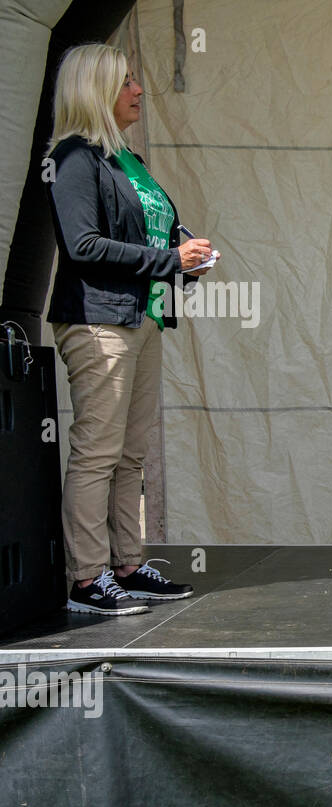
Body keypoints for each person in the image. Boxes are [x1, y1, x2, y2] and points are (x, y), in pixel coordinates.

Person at [45, 44, 216, 615]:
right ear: (95, 91)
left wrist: (185, 254)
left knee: (131, 453)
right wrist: (170, 259)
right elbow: (83, 245)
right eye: (125, 83)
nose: (139, 90)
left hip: (139, 316)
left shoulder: (125, 160)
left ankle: (127, 564)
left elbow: (146, 234)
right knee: (98, 452)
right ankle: (87, 578)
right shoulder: (74, 157)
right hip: (98, 320)